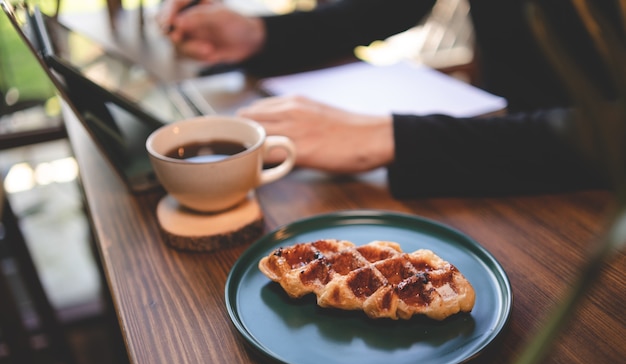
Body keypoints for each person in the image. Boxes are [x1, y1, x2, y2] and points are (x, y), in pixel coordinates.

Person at [158, 0, 613, 197]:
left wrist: (396, 137)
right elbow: (382, 10)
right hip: (503, 157)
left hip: (592, 193)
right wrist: (260, 33)